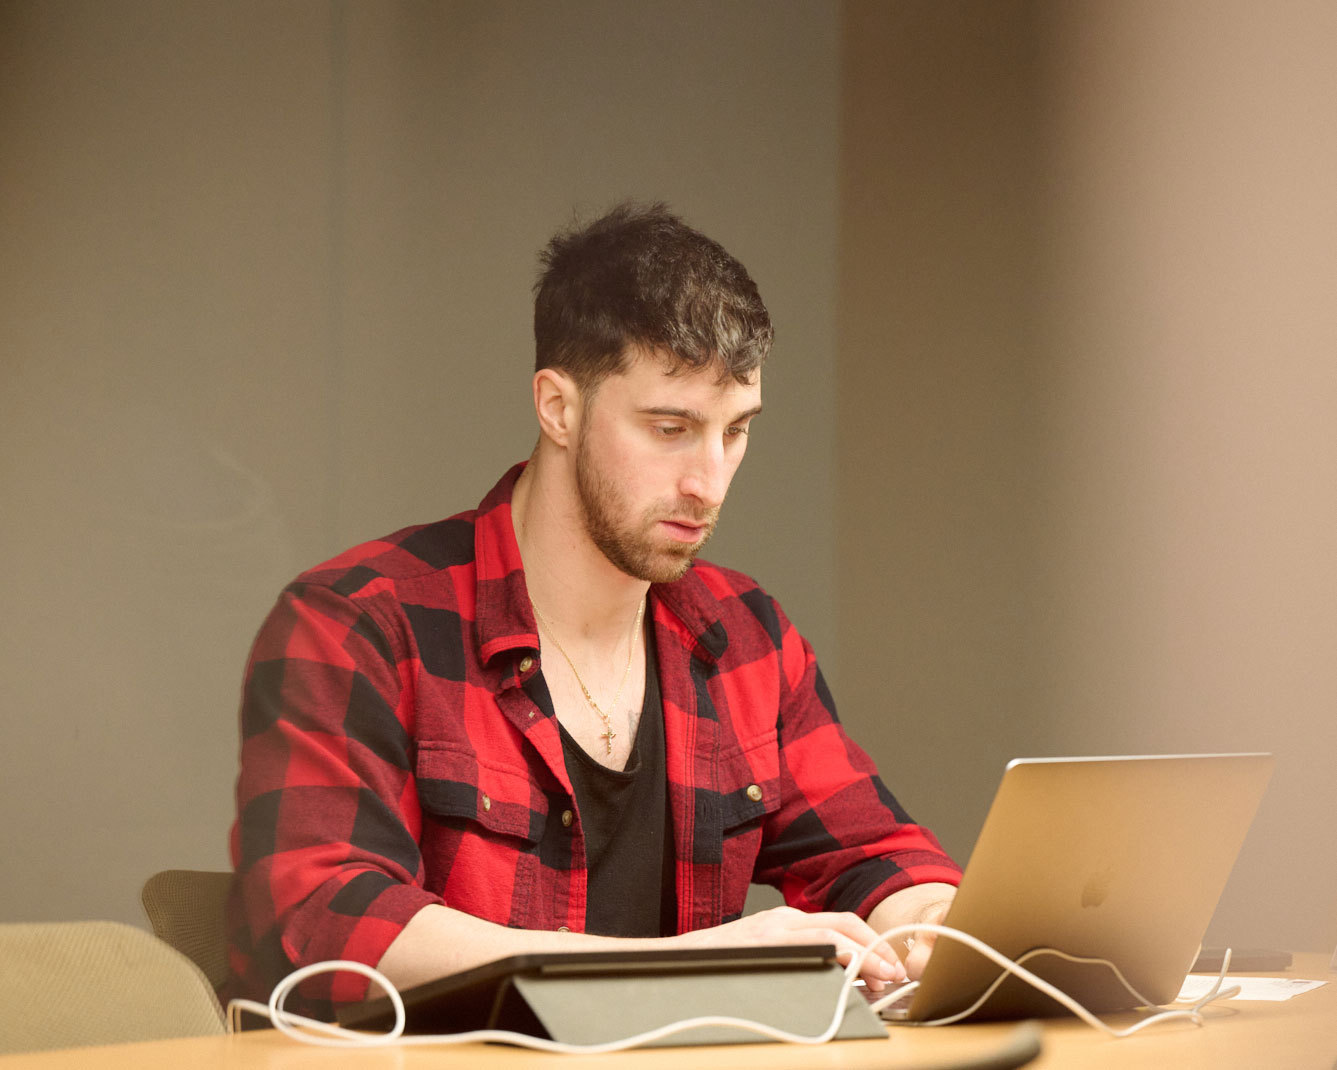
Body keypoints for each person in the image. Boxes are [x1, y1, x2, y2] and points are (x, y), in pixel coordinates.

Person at [227, 202, 960, 1018]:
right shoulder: (358, 623)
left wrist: (929, 921)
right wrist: (680, 969)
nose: (709, 482)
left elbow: (871, 852)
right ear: (558, 408)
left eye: (736, 431)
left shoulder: (746, 635)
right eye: (670, 428)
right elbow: (328, 924)